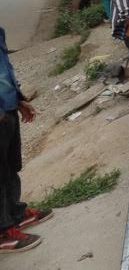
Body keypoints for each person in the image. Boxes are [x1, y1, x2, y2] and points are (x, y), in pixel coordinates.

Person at [0, 27, 53, 253]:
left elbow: (4, 71)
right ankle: (3, 232)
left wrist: (18, 100)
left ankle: (15, 214)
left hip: (7, 109)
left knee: (9, 167)